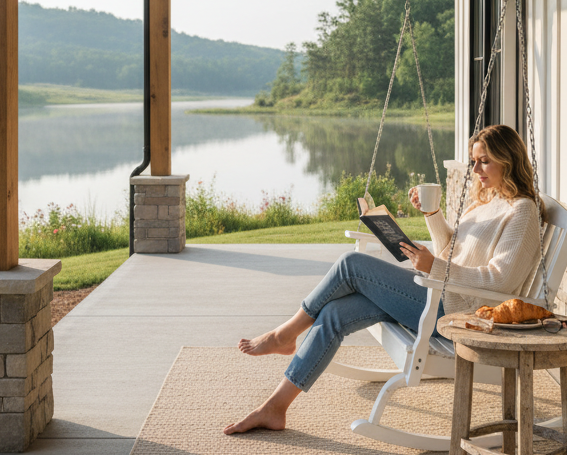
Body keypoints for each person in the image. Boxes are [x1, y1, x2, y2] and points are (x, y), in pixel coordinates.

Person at [223, 123, 545, 435]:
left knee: (351, 264)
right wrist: (432, 216)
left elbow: (501, 280)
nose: (475, 169)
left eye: (484, 161)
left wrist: (436, 267)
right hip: (437, 293)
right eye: (474, 160)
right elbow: (451, 250)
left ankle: (284, 334)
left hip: (455, 312)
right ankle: (275, 408)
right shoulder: (487, 201)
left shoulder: (522, 211)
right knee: (334, 313)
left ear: (508, 159)